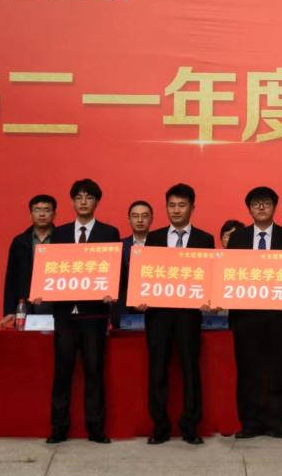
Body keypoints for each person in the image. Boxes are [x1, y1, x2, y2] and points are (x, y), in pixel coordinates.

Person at [45, 179, 121, 444]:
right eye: (79, 197)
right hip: (65, 314)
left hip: (94, 315)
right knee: (62, 372)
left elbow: (116, 270)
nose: (83, 201)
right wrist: (43, 288)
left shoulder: (109, 233)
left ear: (96, 202)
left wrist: (112, 292)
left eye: (89, 197)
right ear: (72, 202)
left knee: (94, 371)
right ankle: (58, 427)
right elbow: (49, 269)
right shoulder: (60, 234)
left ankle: (96, 428)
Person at [140, 183, 215, 445]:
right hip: (158, 315)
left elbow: (210, 276)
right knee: (157, 371)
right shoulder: (154, 238)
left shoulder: (205, 239)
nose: (176, 210)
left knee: (190, 370)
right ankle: (160, 426)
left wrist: (209, 297)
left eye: (182, 205)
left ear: (192, 208)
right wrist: (140, 297)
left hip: (188, 316)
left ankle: (190, 426)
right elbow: (145, 274)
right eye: (171, 205)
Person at [225, 186, 282, 440]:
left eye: (266, 203)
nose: (261, 207)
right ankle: (249, 423)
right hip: (246, 317)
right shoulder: (238, 238)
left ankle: (276, 423)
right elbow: (229, 275)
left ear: (274, 207)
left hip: (278, 316)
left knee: (279, 370)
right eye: (256, 203)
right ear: (249, 208)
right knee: (248, 371)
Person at [1, 194, 57, 327]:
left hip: (56, 305)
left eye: (47, 210)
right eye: (37, 210)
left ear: (54, 214)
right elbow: (11, 277)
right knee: (28, 339)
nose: (42, 214)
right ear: (30, 215)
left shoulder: (63, 238)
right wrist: (10, 311)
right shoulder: (20, 241)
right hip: (26, 304)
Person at [117, 200, 154, 328]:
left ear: (151, 219)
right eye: (135, 216)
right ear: (129, 219)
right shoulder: (119, 246)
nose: (140, 220)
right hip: (125, 310)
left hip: (155, 309)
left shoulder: (161, 245)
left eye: (144, 216)